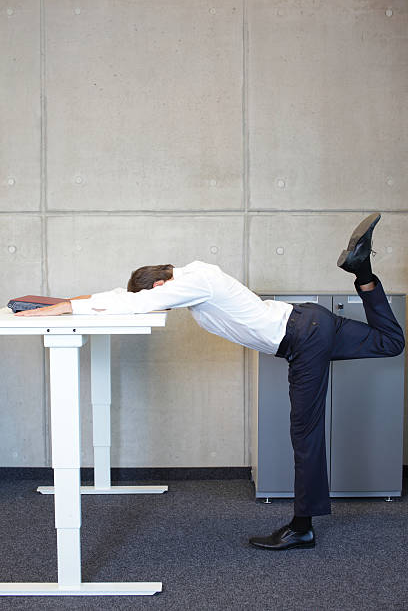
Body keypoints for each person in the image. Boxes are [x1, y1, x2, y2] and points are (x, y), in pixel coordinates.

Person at [16, 213, 405, 550]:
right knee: (391, 343)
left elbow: (131, 302)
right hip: (309, 320)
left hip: (301, 338)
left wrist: (68, 307)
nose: (161, 304)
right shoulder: (194, 276)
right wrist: (60, 301)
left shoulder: (193, 280)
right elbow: (122, 295)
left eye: (158, 298)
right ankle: (364, 273)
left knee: (305, 433)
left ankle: (302, 529)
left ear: (158, 286)